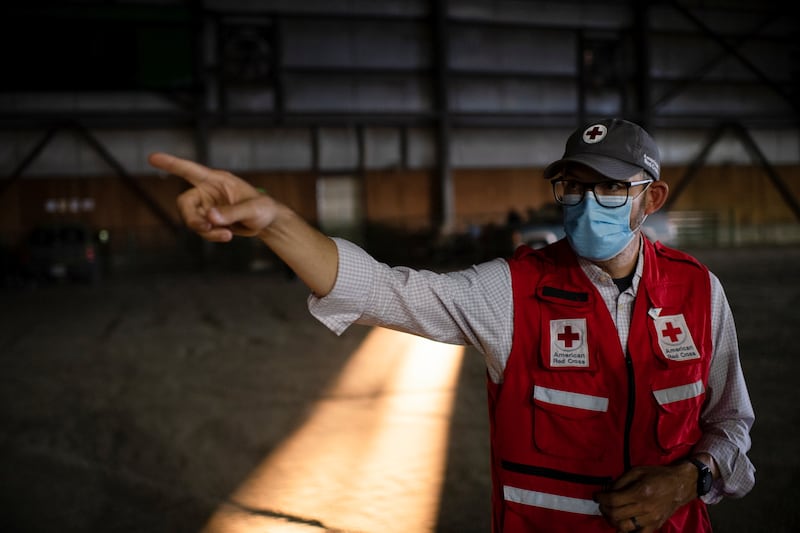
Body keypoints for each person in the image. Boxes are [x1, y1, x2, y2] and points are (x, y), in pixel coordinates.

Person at [148, 117, 755, 532]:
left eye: (610, 189)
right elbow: (383, 289)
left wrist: (686, 481)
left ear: (652, 199)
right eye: (574, 186)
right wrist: (275, 219)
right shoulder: (514, 291)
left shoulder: (699, 291)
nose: (586, 202)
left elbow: (730, 424)